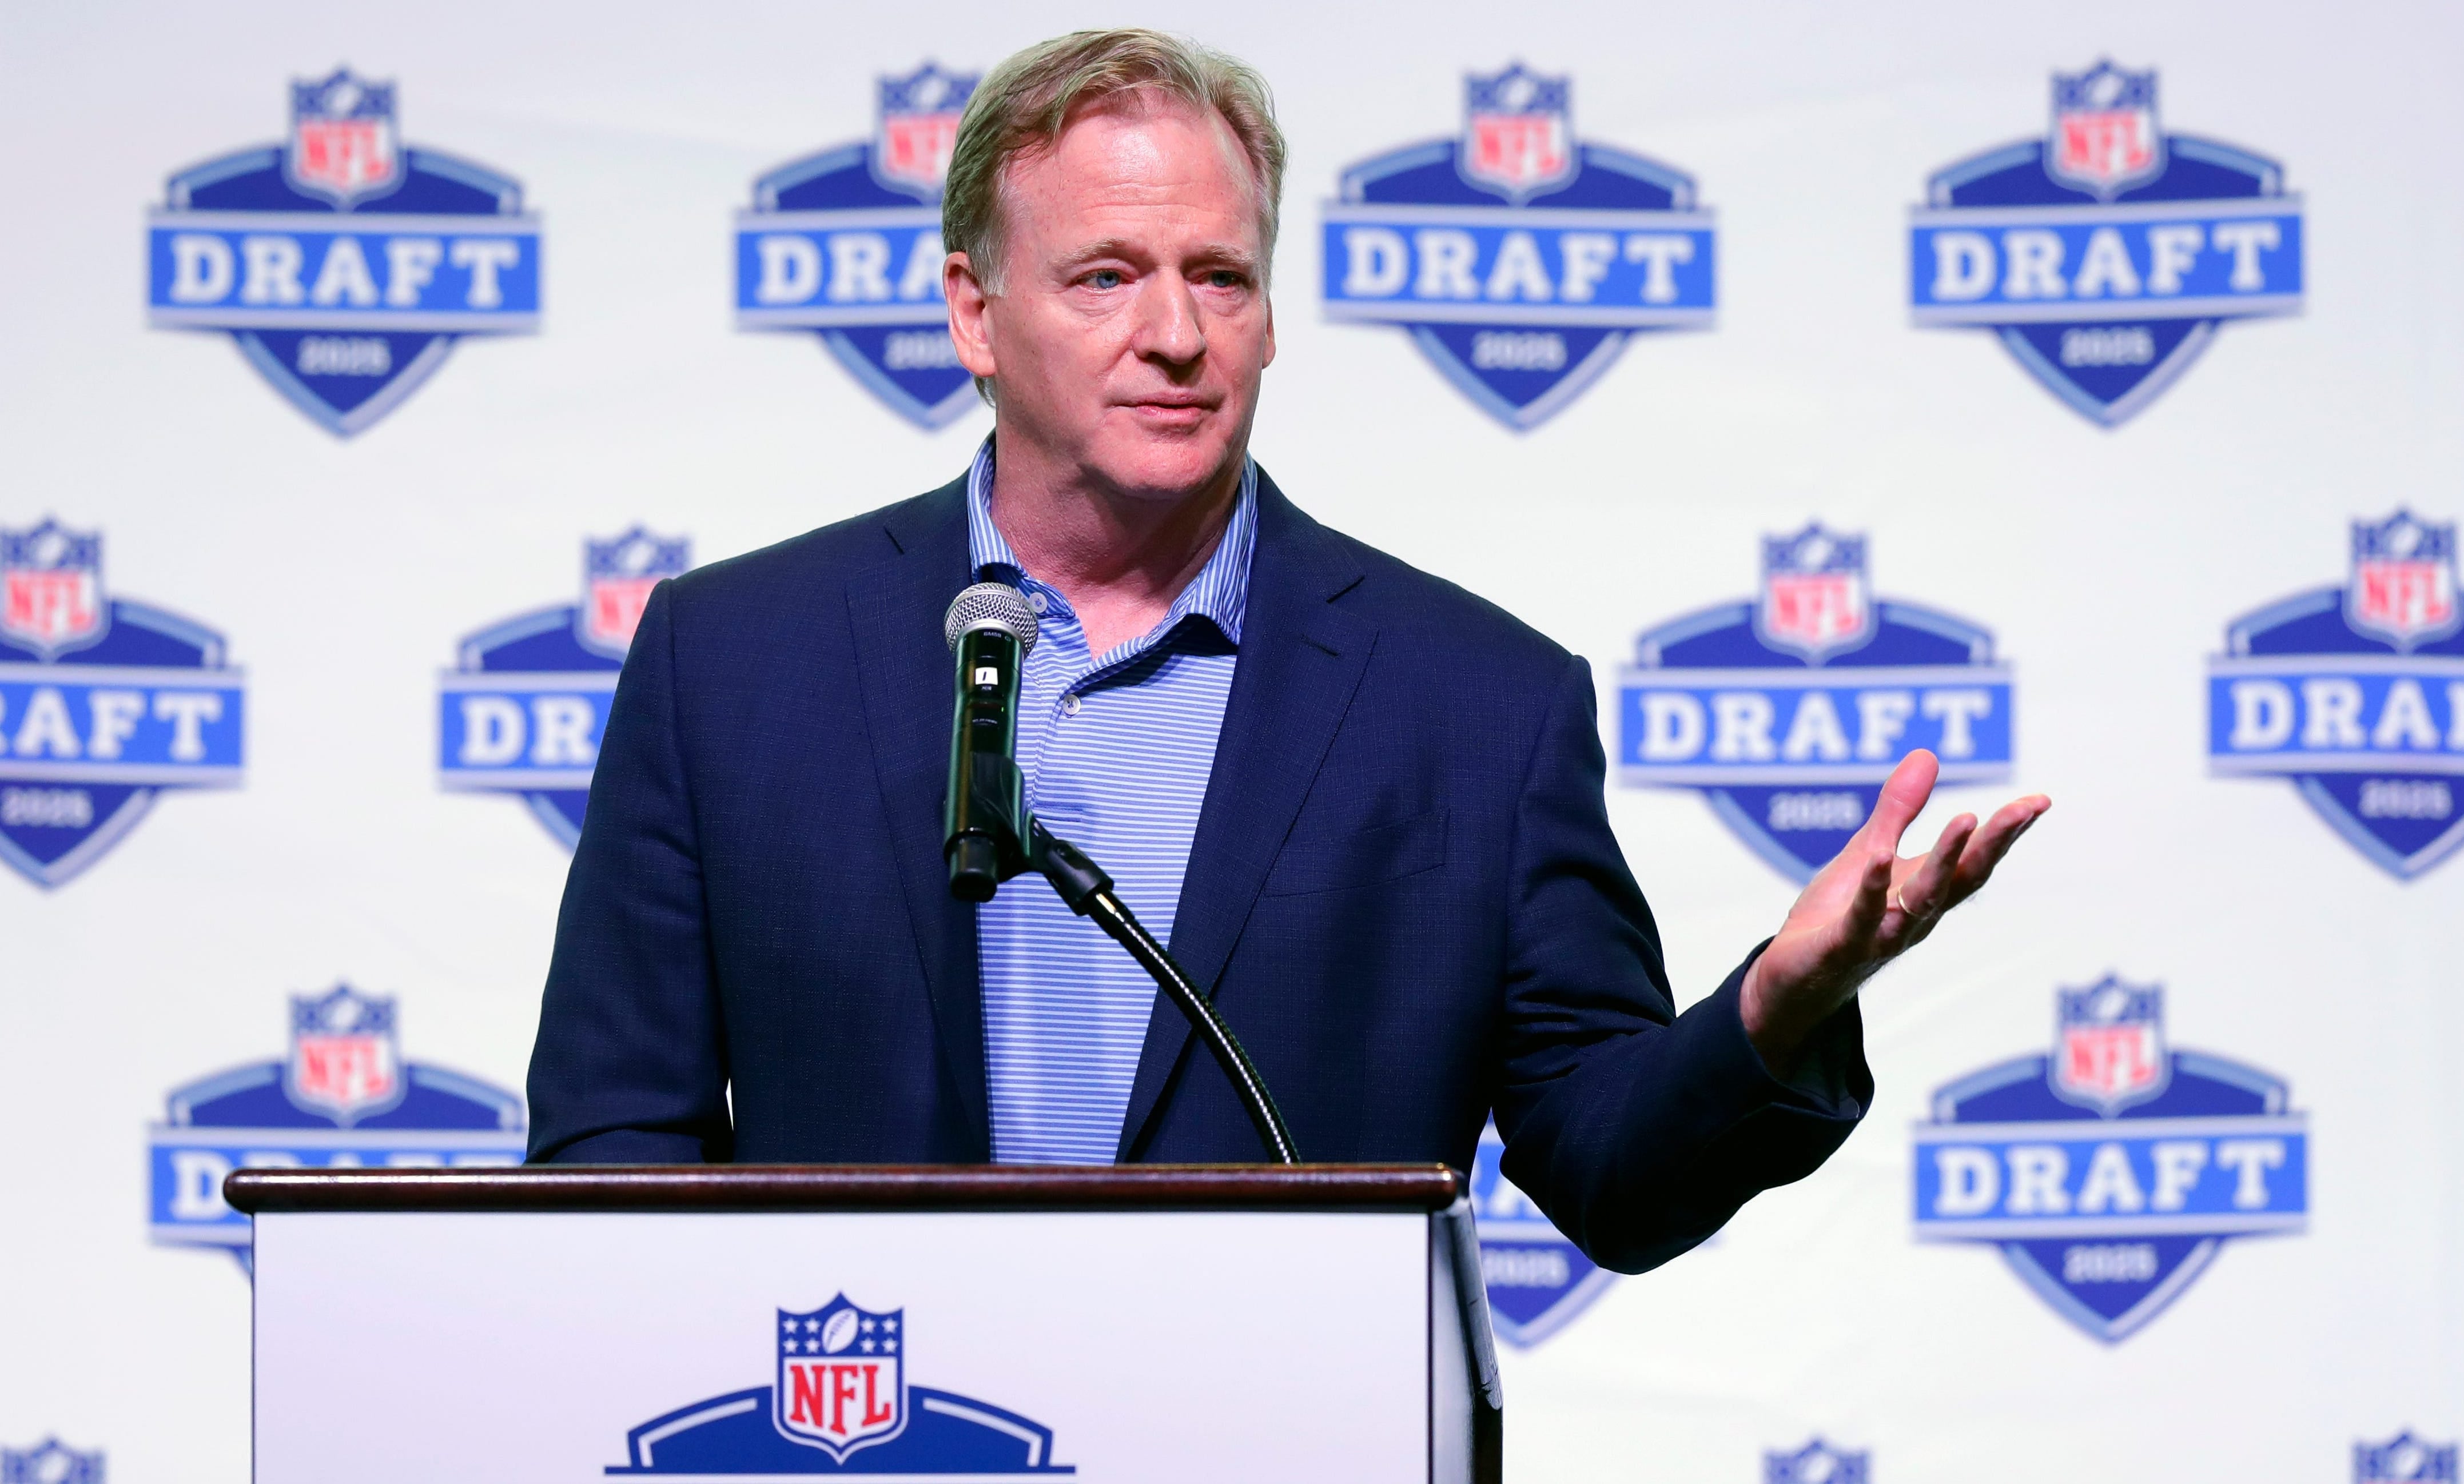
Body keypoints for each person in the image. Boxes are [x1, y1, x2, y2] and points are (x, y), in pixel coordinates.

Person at [524, 29, 2047, 1272]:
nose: (1176, 333)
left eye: (1221, 275)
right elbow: (611, 1151)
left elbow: (1611, 1175)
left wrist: (1773, 1010)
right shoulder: (733, 663)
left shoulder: (1477, 707)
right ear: (975, 314)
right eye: (1107, 275)